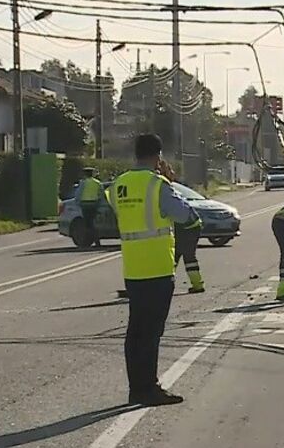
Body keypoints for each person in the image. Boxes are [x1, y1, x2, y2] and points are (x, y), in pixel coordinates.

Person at [110, 133, 200, 406]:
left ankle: (136, 387)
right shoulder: (157, 184)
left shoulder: (119, 184)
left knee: (135, 331)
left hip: (133, 270)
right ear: (158, 156)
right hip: (158, 268)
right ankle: (149, 388)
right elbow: (186, 215)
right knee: (151, 333)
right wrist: (171, 183)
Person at [157, 160, 205, 294]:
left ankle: (197, 285)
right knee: (174, 257)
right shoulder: (165, 186)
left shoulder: (163, 186)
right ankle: (163, 285)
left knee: (188, 256)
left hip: (188, 226)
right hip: (186, 225)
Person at [76, 167, 103, 246]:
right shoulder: (97, 183)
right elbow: (101, 194)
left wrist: (77, 202)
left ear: (85, 174)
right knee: (93, 223)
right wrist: (98, 203)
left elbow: (79, 193)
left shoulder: (83, 182)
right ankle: (97, 240)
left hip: (85, 204)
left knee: (87, 224)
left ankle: (87, 241)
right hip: (94, 204)